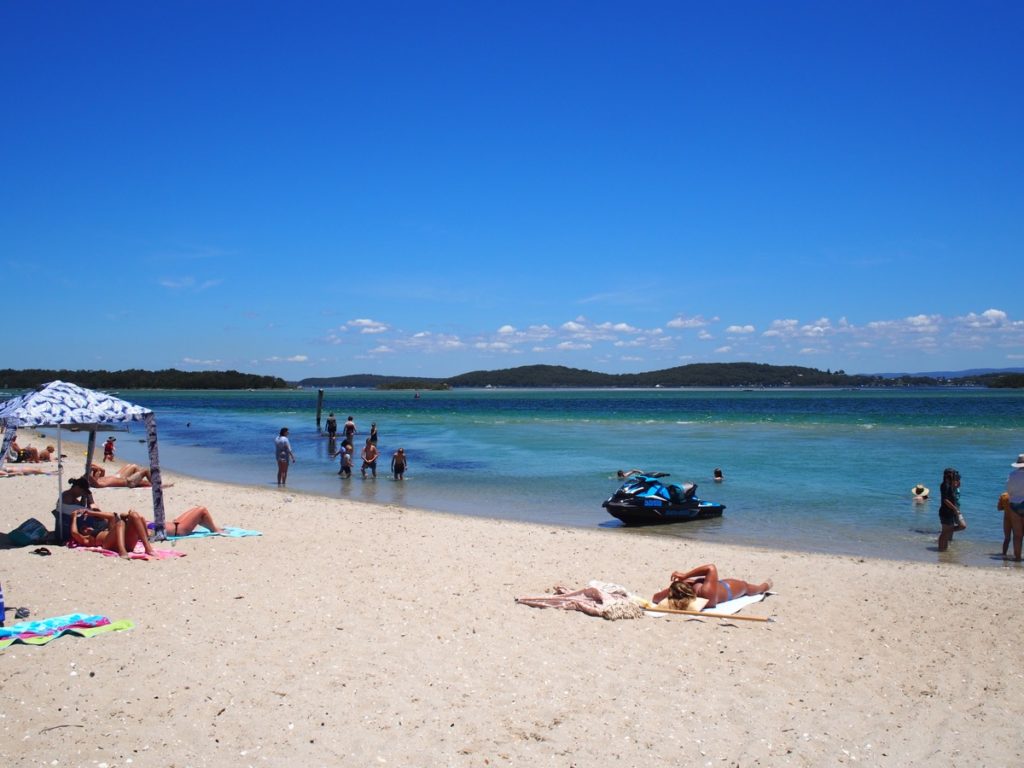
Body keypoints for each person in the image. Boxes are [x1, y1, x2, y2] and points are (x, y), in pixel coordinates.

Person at [651, 564, 772, 610]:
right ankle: (764, 586)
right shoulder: (705, 594)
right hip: (730, 588)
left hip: (717, 586)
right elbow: (711, 567)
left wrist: (671, 590)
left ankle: (763, 587)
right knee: (749, 588)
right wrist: (684, 575)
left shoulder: (691, 589)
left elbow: (655, 599)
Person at [70, 508, 156, 559]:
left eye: (86, 526)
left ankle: (148, 548)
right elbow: (74, 533)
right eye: (83, 529)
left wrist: (90, 513)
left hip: (126, 543)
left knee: (134, 515)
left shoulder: (108, 530)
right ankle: (122, 551)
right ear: (83, 533)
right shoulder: (87, 539)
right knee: (120, 523)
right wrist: (74, 518)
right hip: (109, 545)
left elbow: (111, 516)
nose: (86, 528)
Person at [937, 467, 965, 552]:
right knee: (945, 532)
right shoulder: (945, 485)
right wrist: (955, 509)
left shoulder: (950, 485)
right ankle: (941, 550)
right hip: (946, 512)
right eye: (953, 474)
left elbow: (958, 485)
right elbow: (945, 500)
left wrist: (957, 478)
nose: (954, 476)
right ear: (949, 475)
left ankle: (943, 550)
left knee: (960, 526)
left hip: (950, 512)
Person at [1003, 453, 1024, 561]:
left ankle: (1017, 558)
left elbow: (1009, 492)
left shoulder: (1012, 475)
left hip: (1014, 505)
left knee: (1017, 535)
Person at [89, 463, 155, 488]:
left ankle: (140, 480)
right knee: (145, 470)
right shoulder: (98, 484)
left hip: (119, 477)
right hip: (128, 482)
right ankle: (155, 485)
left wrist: (94, 468)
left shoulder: (99, 480)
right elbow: (94, 480)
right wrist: (96, 471)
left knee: (131, 466)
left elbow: (103, 470)